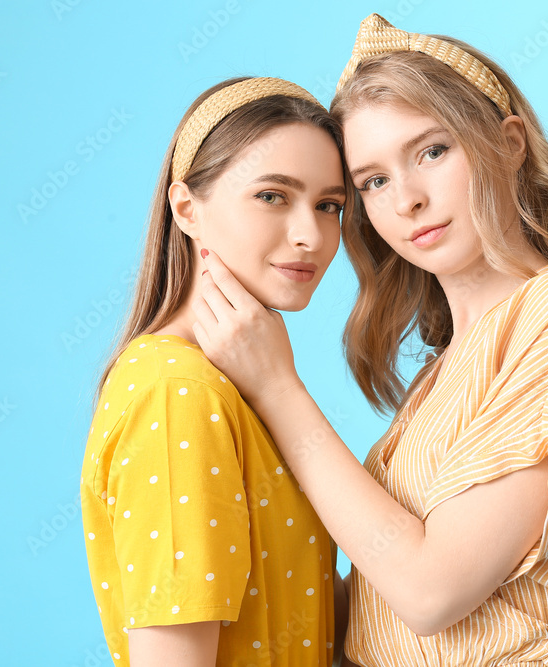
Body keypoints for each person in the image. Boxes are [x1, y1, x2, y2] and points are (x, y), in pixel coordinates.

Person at [191, 15, 548, 667]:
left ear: (509, 143)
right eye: (372, 181)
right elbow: (373, 620)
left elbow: (431, 591)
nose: (405, 199)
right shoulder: (443, 368)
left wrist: (274, 386)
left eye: (431, 151)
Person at [79, 76, 351, 666]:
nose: (311, 235)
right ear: (187, 208)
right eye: (273, 195)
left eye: (329, 206)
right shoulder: (177, 390)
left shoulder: (237, 384)